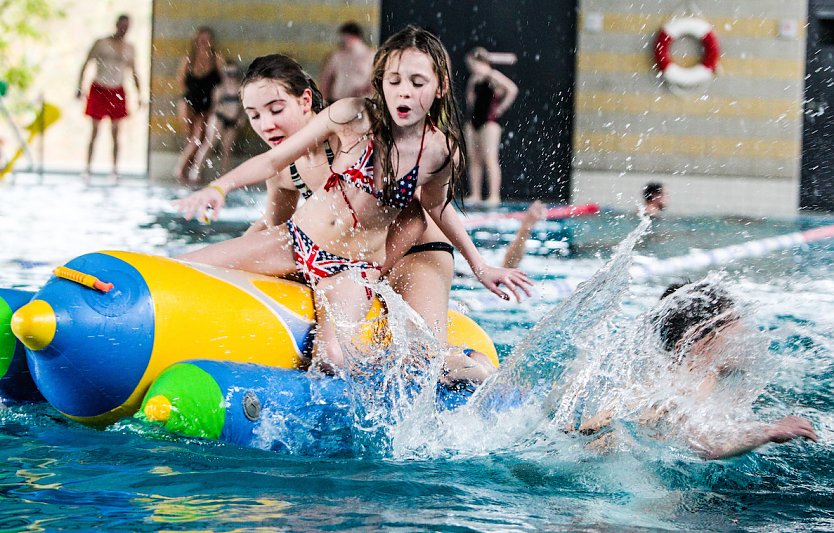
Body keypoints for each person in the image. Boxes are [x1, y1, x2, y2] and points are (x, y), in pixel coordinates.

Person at [174, 27, 532, 377]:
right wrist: (217, 188)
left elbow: (427, 214)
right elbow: (272, 170)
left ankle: (466, 364)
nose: (404, 93)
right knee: (184, 268)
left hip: (364, 261)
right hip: (298, 241)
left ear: (439, 87)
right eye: (393, 81)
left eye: (417, 83)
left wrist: (478, 265)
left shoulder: (439, 152)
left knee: (337, 359)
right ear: (381, 83)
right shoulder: (351, 117)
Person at [574, 280, 818, 460]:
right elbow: (705, 444)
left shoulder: (706, 375)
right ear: (695, 342)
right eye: (734, 326)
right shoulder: (679, 385)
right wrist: (769, 431)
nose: (746, 334)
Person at [77, 14, 141, 184]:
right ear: (116, 24)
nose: (124, 29)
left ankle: (114, 170)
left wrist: (139, 94)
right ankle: (88, 169)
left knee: (116, 134)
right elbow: (85, 64)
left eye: (127, 26)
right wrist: (79, 87)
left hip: (117, 90)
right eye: (122, 25)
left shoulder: (129, 48)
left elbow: (134, 72)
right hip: (99, 88)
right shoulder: (101, 43)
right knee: (94, 131)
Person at [463, 47, 518, 207]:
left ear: (481, 62)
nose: (472, 68)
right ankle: (475, 194)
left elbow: (512, 89)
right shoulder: (474, 79)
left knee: (490, 158)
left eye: (473, 64)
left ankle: (494, 195)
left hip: (490, 121)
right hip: (473, 121)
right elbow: (470, 99)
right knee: (473, 159)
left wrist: (501, 107)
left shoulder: (493, 76)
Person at [174, 26, 225, 182]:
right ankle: (190, 171)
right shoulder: (188, 59)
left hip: (208, 104)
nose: (204, 43)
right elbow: (181, 82)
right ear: (196, 41)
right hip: (189, 101)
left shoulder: (217, 59)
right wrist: (189, 99)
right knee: (191, 139)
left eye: (207, 40)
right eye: (201, 40)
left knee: (200, 138)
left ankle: (183, 170)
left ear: (212, 42)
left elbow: (224, 81)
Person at [188, 59, 244, 183]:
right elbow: (214, 107)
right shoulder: (220, 89)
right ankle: (196, 170)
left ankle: (224, 176)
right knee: (210, 143)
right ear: (224, 75)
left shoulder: (240, 89)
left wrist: (241, 118)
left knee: (227, 149)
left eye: (233, 74)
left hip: (232, 120)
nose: (231, 77)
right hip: (219, 117)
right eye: (228, 74)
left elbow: (242, 107)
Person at [319, 22, 374, 103]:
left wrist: (366, 89)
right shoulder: (337, 56)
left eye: (347, 38)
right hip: (336, 101)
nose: (345, 42)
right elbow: (326, 81)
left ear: (356, 38)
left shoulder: (371, 56)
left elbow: (375, 81)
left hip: (360, 102)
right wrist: (322, 101)